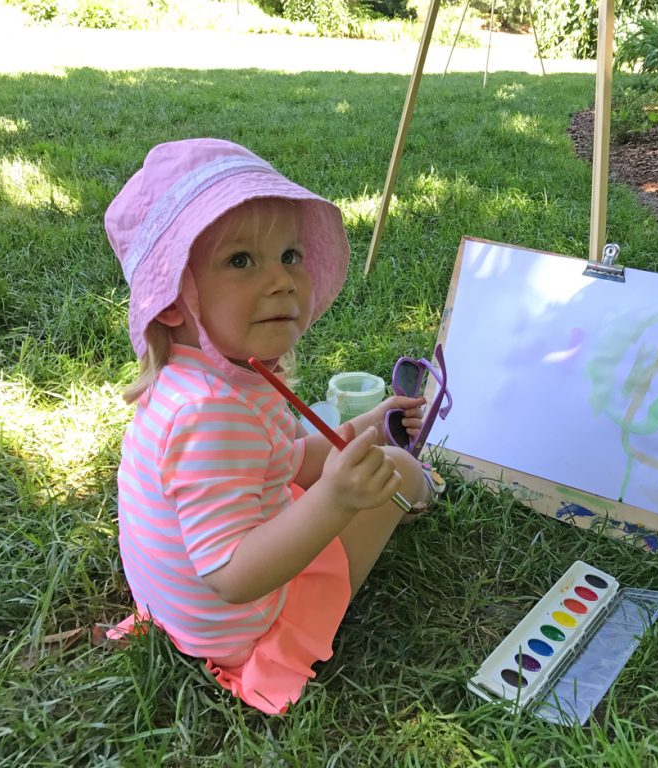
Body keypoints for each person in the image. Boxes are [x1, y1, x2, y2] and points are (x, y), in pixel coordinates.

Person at [104, 138, 434, 714]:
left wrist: (367, 425)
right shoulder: (211, 414)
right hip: (242, 625)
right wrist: (336, 498)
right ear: (174, 301)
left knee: (365, 463)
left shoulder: (208, 375)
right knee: (398, 474)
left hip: (178, 611)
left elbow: (277, 462)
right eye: (240, 261)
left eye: (290, 256)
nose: (283, 281)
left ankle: (395, 480)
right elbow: (232, 576)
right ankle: (426, 492)